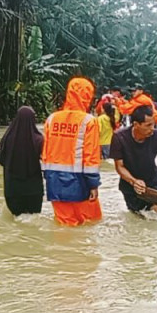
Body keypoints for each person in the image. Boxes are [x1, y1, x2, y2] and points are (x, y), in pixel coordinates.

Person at [41, 77, 103, 226]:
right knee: (90, 224)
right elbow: (91, 158)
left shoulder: (52, 119)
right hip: (80, 182)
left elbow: (45, 153)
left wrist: (48, 177)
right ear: (87, 96)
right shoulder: (88, 121)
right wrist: (93, 184)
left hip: (54, 181)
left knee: (64, 226)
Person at [0, 106, 45, 216]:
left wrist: (9, 165)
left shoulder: (7, 138)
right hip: (33, 189)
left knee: (16, 219)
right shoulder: (39, 139)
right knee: (33, 219)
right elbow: (46, 159)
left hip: (12, 188)